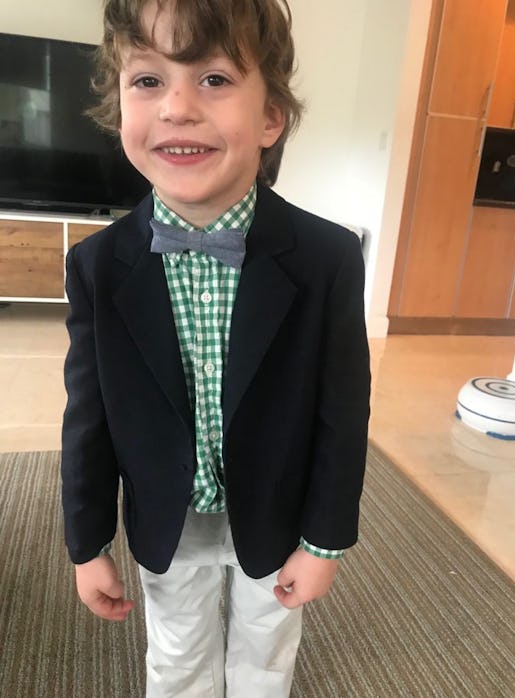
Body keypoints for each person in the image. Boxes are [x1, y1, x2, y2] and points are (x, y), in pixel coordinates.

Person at [61, 0, 370, 696]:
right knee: (177, 651)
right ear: (119, 108)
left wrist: (325, 541)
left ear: (270, 116)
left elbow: (342, 413)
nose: (175, 107)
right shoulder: (97, 266)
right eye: (147, 80)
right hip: (168, 515)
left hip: (279, 511)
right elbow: (89, 418)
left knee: (266, 649)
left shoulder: (328, 258)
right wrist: (87, 545)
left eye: (214, 79)